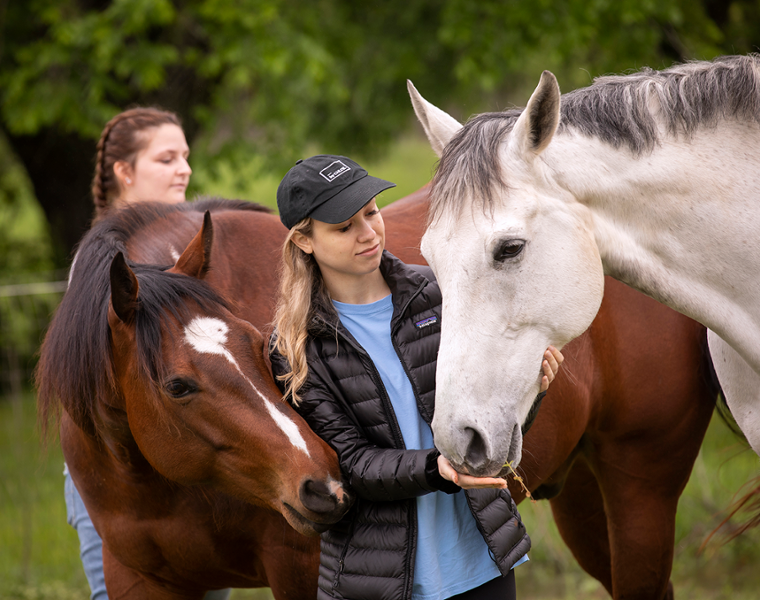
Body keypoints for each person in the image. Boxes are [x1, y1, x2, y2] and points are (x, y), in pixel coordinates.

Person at [269, 154, 563, 600]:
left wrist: (533, 391)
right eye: (344, 227)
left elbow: (492, 430)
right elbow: (351, 464)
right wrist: (436, 469)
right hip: (379, 579)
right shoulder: (295, 347)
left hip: (483, 559)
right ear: (305, 241)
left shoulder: (440, 296)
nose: (368, 233)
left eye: (371, 212)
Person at [65, 107, 226, 600]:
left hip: (186, 456)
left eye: (186, 156)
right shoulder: (98, 264)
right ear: (125, 172)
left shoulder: (184, 248)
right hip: (116, 472)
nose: (185, 169)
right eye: (167, 158)